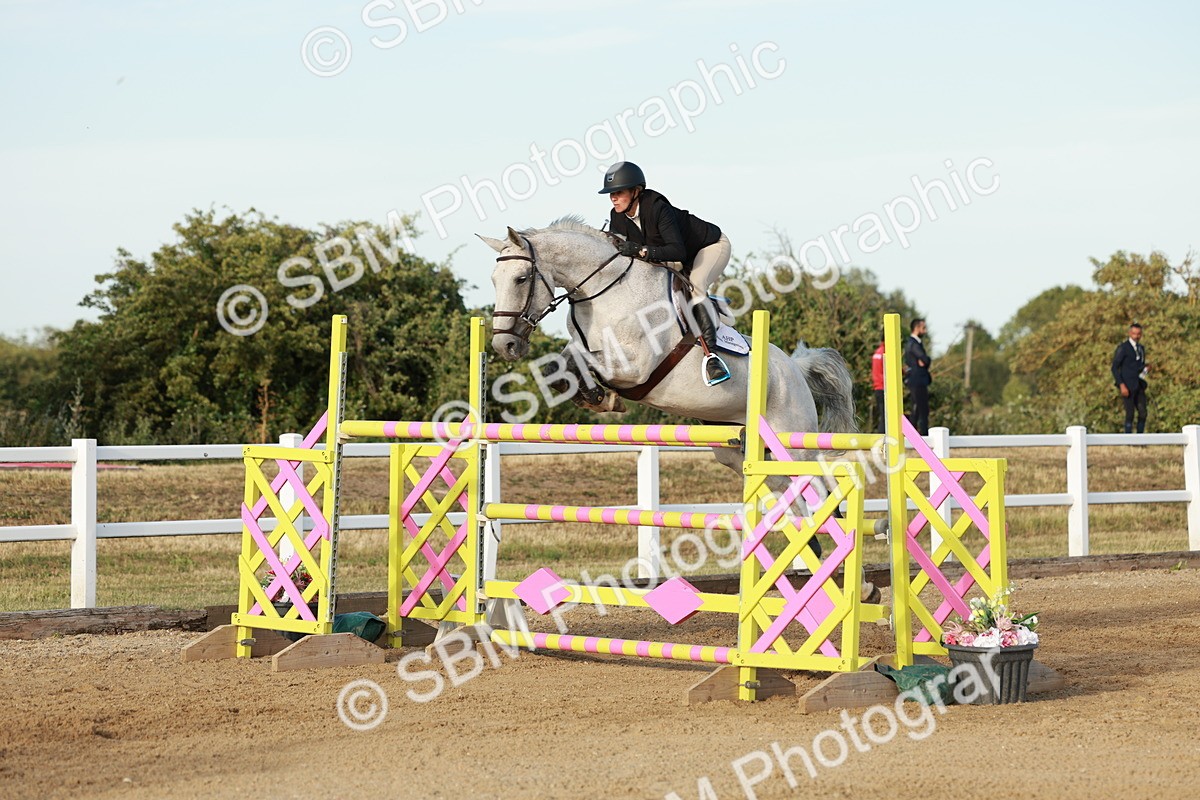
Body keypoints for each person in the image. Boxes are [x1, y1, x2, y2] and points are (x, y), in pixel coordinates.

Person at [599, 161, 732, 386]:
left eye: (619, 192)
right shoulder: (617, 217)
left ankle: (712, 357)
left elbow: (677, 251)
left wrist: (641, 250)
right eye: (611, 194)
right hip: (675, 255)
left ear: (636, 191)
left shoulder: (657, 207)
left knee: (695, 284)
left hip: (709, 246)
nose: (613, 198)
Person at [1110, 322, 1149, 433]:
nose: (1136, 336)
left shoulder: (1141, 348)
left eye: (1138, 334)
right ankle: (1128, 437)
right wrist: (1121, 385)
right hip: (1127, 385)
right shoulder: (1123, 348)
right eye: (1134, 333)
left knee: (1143, 412)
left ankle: (1140, 437)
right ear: (1130, 333)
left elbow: (1138, 366)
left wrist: (1145, 368)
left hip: (1138, 384)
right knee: (1130, 413)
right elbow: (1114, 368)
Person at [904, 318, 932, 436]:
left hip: (916, 379)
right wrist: (925, 360)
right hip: (917, 380)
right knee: (922, 410)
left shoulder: (914, 343)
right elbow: (925, 359)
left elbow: (924, 361)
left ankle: (913, 436)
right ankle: (923, 435)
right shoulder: (913, 344)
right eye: (923, 328)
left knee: (916, 409)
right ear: (917, 328)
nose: (925, 331)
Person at [871, 341, 886, 433]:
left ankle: (882, 436)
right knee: (886, 417)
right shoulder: (885, 353)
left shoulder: (877, 352)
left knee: (883, 415)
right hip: (884, 387)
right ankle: (883, 437)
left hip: (877, 387)